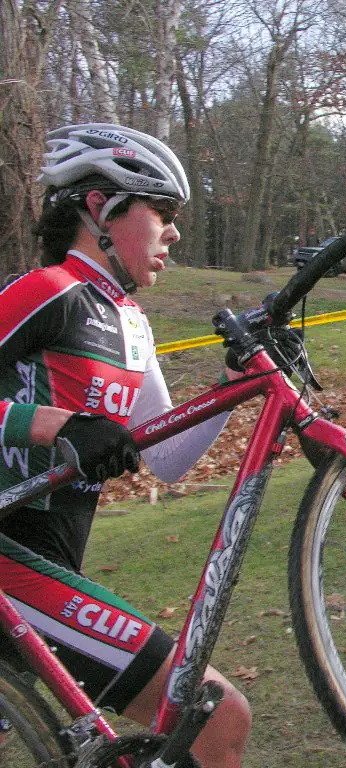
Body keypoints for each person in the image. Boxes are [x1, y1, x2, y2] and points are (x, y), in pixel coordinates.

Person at [0, 124, 250, 767]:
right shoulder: (49, 290)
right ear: (98, 209)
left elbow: (163, 458)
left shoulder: (132, 324)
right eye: (161, 212)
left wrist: (234, 385)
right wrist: (56, 425)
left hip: (53, 563)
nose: (173, 233)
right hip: (11, 551)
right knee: (216, 715)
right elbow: (61, 427)